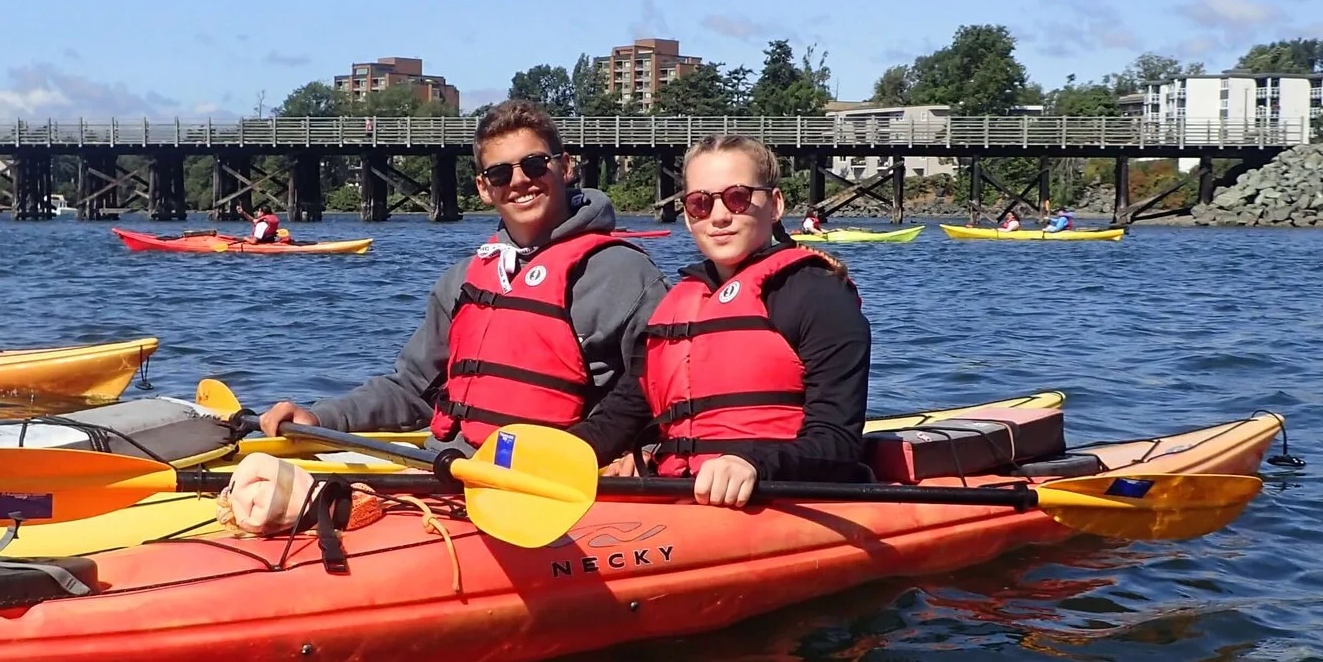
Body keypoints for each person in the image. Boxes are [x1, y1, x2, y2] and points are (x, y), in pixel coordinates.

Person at [257, 101, 667, 449]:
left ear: (565, 168)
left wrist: (640, 454)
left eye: (535, 164)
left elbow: (661, 394)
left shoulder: (626, 275)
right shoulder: (463, 281)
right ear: (484, 189)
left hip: (557, 485)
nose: (520, 181)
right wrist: (322, 417)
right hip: (455, 471)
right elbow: (411, 389)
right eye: (501, 174)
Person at [575, 134, 871, 507]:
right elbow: (620, 416)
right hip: (680, 493)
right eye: (700, 203)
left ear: (775, 204)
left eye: (737, 198)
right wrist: (555, 454)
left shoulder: (819, 295)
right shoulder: (676, 304)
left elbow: (837, 441)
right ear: (686, 214)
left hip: (777, 497)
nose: (718, 217)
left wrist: (753, 465)